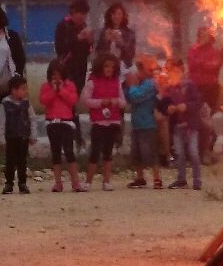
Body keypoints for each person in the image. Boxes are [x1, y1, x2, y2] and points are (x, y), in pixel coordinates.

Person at [82, 53, 127, 191]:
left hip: (112, 121)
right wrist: (101, 102)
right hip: (98, 122)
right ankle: (88, 182)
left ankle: (106, 181)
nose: (109, 69)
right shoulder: (92, 82)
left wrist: (115, 101)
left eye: (112, 67)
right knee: (95, 151)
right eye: (106, 66)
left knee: (108, 152)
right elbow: (86, 100)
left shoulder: (117, 82)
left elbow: (123, 102)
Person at [38, 61, 80, 192]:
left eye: (59, 75)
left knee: (69, 151)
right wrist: (53, 90)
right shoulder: (46, 86)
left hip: (66, 122)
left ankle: (75, 182)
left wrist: (61, 90)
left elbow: (73, 101)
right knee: (55, 152)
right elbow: (43, 101)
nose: (56, 78)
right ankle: (58, 182)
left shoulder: (70, 85)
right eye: (54, 75)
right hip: (52, 122)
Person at [161, 67, 205, 190]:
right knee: (179, 153)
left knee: (193, 152)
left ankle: (197, 181)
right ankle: (181, 179)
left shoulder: (190, 86)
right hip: (177, 126)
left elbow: (198, 102)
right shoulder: (169, 89)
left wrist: (186, 106)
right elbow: (163, 104)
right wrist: (168, 108)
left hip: (190, 125)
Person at [187, 23, 223, 159]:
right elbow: (191, 63)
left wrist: (200, 63)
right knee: (200, 117)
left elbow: (214, 65)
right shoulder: (193, 49)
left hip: (210, 88)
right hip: (196, 88)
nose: (203, 37)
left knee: (207, 116)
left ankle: (206, 147)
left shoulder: (214, 51)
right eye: (201, 34)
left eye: (206, 34)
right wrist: (202, 63)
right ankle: (203, 147)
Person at [124, 60, 164, 189]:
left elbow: (136, 97)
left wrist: (132, 86)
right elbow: (128, 98)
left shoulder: (149, 84)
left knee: (150, 152)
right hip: (137, 123)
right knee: (136, 152)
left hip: (147, 123)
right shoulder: (138, 84)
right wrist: (129, 86)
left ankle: (157, 178)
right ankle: (140, 177)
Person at [1, 74, 33, 195]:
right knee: (10, 161)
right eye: (23, 88)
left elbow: (32, 119)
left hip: (23, 137)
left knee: (22, 161)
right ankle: (9, 184)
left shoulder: (26, 104)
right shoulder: (5, 104)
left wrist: (33, 135)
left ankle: (22, 183)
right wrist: (2, 139)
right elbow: (1, 122)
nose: (26, 91)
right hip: (10, 137)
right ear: (14, 90)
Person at [53, 0, 94, 93]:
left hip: (81, 67)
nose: (83, 17)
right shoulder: (63, 26)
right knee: (66, 93)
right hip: (67, 66)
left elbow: (88, 51)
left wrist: (90, 42)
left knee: (77, 92)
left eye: (85, 14)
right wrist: (77, 38)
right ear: (73, 12)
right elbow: (60, 48)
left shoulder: (84, 26)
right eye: (81, 13)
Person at [99, 3, 138, 72]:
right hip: (106, 69)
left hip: (123, 68)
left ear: (123, 16)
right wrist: (106, 41)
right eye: (113, 13)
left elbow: (131, 55)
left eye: (119, 14)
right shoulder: (103, 32)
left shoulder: (129, 33)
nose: (116, 16)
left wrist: (121, 43)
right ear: (110, 15)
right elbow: (97, 53)